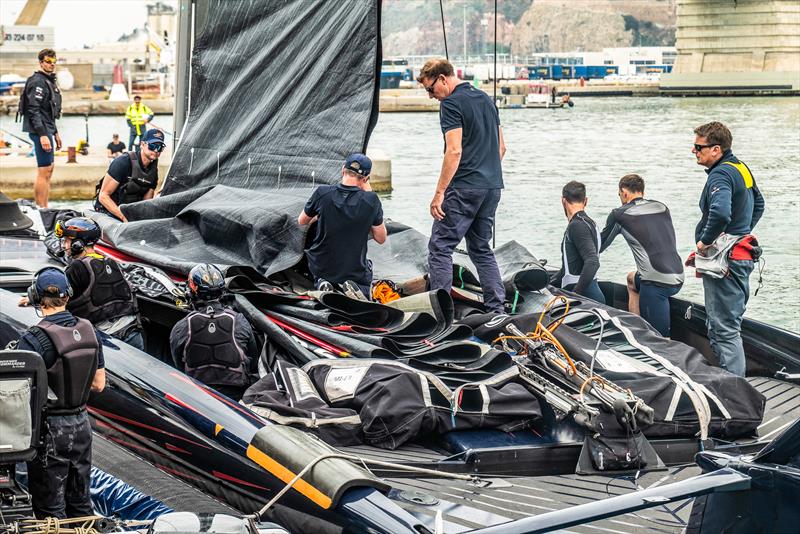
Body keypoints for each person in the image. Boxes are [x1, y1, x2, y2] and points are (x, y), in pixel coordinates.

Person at [417, 58, 507, 313]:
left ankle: (441, 313)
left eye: (431, 89)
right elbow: (501, 148)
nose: (431, 96)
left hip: (465, 187)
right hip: (491, 187)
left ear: (444, 79)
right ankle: (496, 308)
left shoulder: (451, 104)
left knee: (440, 247)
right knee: (480, 247)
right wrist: (484, 173)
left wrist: (439, 193)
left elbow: (454, 151)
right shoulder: (487, 100)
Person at [16, 267, 105, 519]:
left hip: (49, 432)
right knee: (81, 503)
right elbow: (99, 384)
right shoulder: (89, 330)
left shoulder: (33, 339)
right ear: (68, 295)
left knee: (50, 509)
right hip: (82, 426)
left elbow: (22, 396)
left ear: (35, 297)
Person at [692, 121, 765, 376]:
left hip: (727, 262)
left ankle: (736, 395)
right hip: (740, 258)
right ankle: (732, 387)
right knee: (725, 325)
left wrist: (706, 241)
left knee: (724, 329)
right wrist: (741, 233)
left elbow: (720, 212)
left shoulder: (720, 173)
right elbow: (759, 204)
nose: (694, 151)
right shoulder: (741, 167)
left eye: (698, 146)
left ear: (716, 149)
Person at [17, 217, 144, 350]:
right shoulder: (110, 261)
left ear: (78, 244)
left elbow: (55, 295)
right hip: (134, 333)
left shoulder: (77, 267)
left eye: (66, 241)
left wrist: (32, 299)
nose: (64, 245)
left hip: (109, 340)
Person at [599, 174, 684, 337]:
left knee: (659, 340)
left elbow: (599, 246)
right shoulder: (662, 207)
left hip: (656, 284)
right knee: (632, 279)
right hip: (678, 275)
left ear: (624, 192)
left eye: (619, 195)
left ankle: (644, 341)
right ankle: (635, 332)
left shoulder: (619, 215)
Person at [298, 153, 387, 299]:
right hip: (354, 271)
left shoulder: (322, 193)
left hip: (321, 266)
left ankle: (322, 282)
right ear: (365, 179)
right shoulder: (371, 200)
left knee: (317, 262)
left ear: (342, 170)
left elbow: (302, 221)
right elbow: (381, 238)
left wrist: (320, 215)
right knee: (367, 269)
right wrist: (368, 189)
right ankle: (358, 288)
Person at [169, 264, 258, 400]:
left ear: (192, 291)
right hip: (237, 397)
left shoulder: (181, 327)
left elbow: (178, 366)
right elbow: (253, 360)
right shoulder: (240, 321)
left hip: (199, 396)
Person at [20, 48, 62, 208]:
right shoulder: (38, 81)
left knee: (49, 169)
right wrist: (43, 134)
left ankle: (45, 205)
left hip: (48, 129)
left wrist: (56, 132)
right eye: (48, 62)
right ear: (41, 62)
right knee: (44, 171)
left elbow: (49, 111)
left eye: (54, 62)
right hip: (40, 131)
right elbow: (34, 109)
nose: (52, 65)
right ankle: (41, 208)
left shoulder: (48, 80)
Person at [93, 128, 165, 222]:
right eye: (152, 146)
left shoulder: (153, 172)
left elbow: (146, 202)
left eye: (160, 147)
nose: (156, 150)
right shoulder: (123, 162)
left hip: (129, 212)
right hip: (107, 211)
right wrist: (123, 218)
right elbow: (103, 196)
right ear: (142, 145)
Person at [552, 181, 605, 304]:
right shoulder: (589, 223)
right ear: (586, 201)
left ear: (563, 201)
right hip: (591, 296)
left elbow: (592, 262)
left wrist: (575, 295)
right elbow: (569, 268)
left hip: (586, 303)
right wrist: (548, 283)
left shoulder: (577, 225)